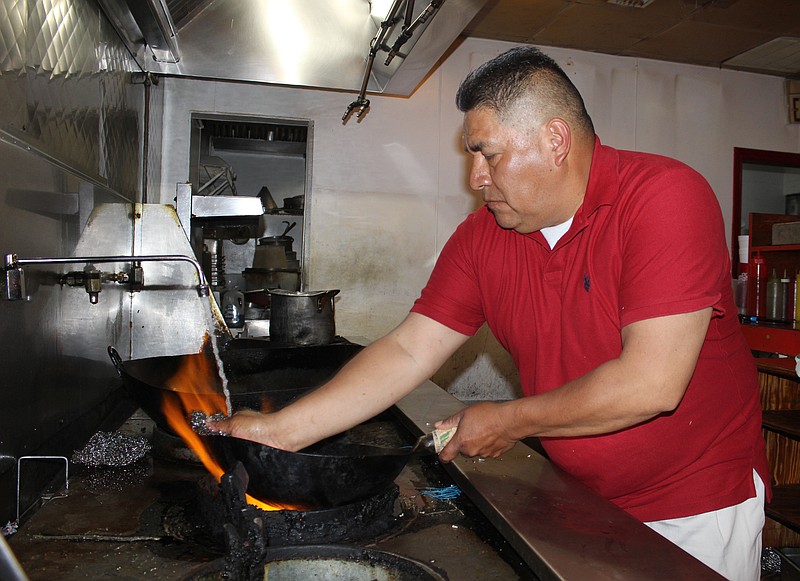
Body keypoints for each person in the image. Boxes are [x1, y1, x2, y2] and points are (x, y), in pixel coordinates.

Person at [212, 46, 770, 580]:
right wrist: (279, 432)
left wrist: (506, 419)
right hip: (581, 501)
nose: (476, 178)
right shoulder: (484, 236)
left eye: (489, 154)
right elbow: (409, 350)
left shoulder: (665, 198)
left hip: (692, 508)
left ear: (555, 140)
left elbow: (651, 385)